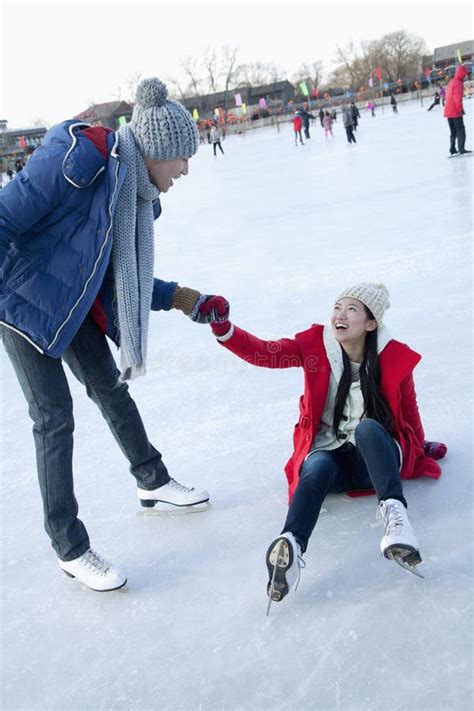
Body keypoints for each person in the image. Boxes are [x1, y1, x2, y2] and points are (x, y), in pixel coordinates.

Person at [0, 77, 230, 592]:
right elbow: (4, 218)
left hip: (70, 301)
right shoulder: (78, 157)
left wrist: (185, 299)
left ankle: (152, 481)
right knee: (53, 418)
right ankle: (69, 547)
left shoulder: (135, 200)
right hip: (20, 299)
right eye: (181, 160)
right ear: (157, 151)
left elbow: (118, 275)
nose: (186, 170)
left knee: (109, 387)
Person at [208, 283, 446, 603]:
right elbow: (265, 353)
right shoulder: (314, 347)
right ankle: (290, 545)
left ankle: (396, 522)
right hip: (333, 452)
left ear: (371, 323)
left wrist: (420, 445)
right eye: (337, 307)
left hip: (375, 459)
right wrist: (224, 328)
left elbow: (409, 408)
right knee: (316, 464)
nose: (340, 315)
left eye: (352, 309)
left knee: (368, 429)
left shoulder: (392, 356)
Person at [444, 64, 471, 156]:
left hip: (448, 111)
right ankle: (461, 149)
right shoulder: (458, 83)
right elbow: (457, 98)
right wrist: (460, 110)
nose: (466, 75)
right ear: (462, 74)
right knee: (461, 130)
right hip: (455, 111)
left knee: (453, 131)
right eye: (465, 74)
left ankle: (452, 148)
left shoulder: (452, 81)